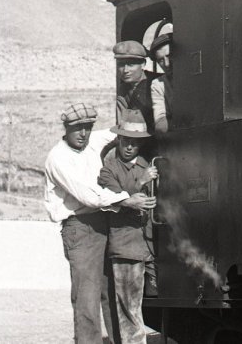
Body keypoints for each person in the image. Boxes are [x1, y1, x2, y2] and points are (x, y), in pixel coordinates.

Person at [44, 102, 155, 344]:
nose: (83, 133)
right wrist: (126, 199)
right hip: (80, 226)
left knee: (111, 292)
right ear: (66, 128)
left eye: (88, 127)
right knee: (87, 297)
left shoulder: (92, 140)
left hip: (105, 222)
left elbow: (121, 132)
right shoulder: (58, 158)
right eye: (77, 128)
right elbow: (88, 196)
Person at [97, 113, 158, 344]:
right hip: (126, 247)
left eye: (135, 142)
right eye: (125, 141)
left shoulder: (148, 164)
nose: (130, 146)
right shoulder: (108, 171)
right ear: (119, 140)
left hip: (151, 246)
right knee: (129, 308)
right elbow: (116, 198)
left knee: (142, 304)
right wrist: (140, 182)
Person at [115, 41, 168, 134]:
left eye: (131, 65)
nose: (125, 70)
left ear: (143, 64)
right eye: (121, 65)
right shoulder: (124, 90)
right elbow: (123, 123)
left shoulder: (158, 83)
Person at [148, 31, 172, 128]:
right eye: (161, 60)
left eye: (170, 56)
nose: (167, 64)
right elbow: (160, 124)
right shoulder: (158, 84)